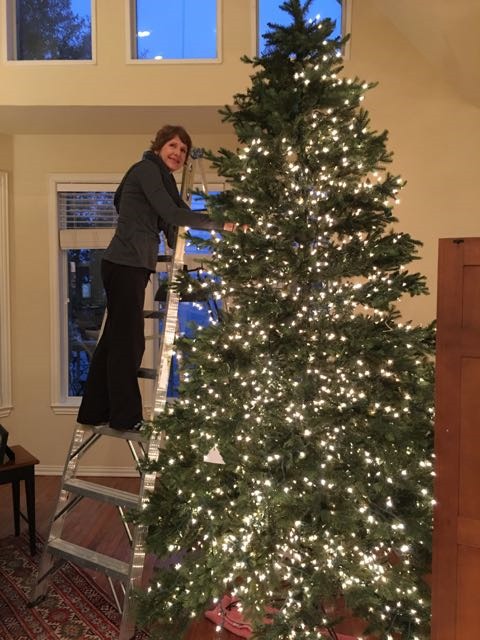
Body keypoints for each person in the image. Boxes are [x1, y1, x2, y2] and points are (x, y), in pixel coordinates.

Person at [77, 125, 234, 431]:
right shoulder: (147, 170)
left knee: (113, 341)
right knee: (129, 343)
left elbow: (168, 215)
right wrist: (222, 224)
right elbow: (173, 214)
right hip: (125, 265)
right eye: (173, 146)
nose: (178, 153)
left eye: (183, 150)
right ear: (158, 147)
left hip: (128, 265)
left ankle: (94, 410)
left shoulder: (160, 180)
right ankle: (126, 417)